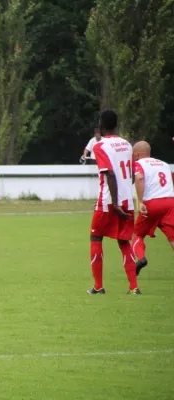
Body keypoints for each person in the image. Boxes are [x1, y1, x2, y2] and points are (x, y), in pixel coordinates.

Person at [87, 110, 139, 295]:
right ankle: (133, 287)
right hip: (127, 201)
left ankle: (98, 286)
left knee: (96, 238)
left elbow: (109, 173)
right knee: (124, 242)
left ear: (101, 124)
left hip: (109, 202)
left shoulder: (100, 146)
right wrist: (123, 197)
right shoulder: (127, 145)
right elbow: (132, 175)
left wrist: (114, 203)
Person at [130, 141, 174, 275]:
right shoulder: (164, 164)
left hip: (152, 204)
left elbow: (139, 178)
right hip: (170, 202)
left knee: (138, 234)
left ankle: (141, 257)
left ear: (137, 154)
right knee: (172, 237)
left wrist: (141, 201)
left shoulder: (139, 164)